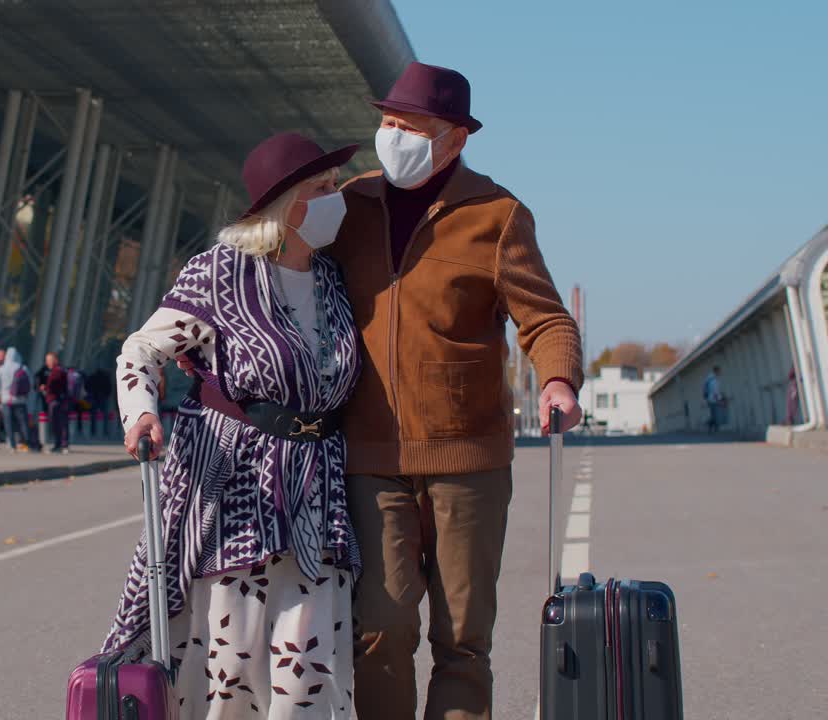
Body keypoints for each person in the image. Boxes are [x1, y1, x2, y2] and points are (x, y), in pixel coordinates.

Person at [327, 62, 584, 719]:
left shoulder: (496, 215)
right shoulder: (348, 207)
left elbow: (546, 317)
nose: (394, 137)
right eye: (387, 123)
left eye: (412, 127)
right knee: (381, 626)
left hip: (470, 460)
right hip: (370, 457)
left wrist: (557, 378)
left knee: (462, 640)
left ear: (455, 139)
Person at [102, 132, 362, 718]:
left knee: (309, 674)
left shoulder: (333, 280)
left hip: (318, 491)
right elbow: (140, 350)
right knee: (232, 675)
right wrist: (141, 410)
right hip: (233, 487)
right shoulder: (221, 271)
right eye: (322, 188)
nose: (335, 197)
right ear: (287, 205)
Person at [0, 347, 37, 451]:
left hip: (6, 401)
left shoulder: (1, 369)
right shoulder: (23, 368)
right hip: (20, 400)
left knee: (8, 423)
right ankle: (27, 444)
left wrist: (1, 394)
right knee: (23, 423)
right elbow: (30, 384)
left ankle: (12, 445)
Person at [40, 351, 70, 453]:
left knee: (58, 423)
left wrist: (46, 388)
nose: (47, 362)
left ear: (55, 360)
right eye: (47, 360)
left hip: (56, 400)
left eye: (49, 360)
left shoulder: (57, 371)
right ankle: (60, 444)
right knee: (58, 423)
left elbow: (53, 385)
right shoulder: (58, 370)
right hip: (58, 399)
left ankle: (61, 444)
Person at [86, 366, 112, 435]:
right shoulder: (105, 378)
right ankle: (105, 430)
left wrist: (90, 393)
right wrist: (106, 395)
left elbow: (87, 386)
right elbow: (109, 388)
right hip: (103, 397)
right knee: (105, 415)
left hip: (94, 397)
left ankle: (93, 430)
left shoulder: (92, 377)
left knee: (93, 415)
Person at [704, 365, 724, 433]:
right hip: (713, 400)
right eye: (719, 371)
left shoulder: (709, 378)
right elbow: (715, 391)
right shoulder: (713, 380)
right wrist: (719, 400)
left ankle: (712, 427)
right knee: (716, 415)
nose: (720, 372)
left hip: (710, 399)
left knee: (714, 415)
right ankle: (714, 428)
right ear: (716, 371)